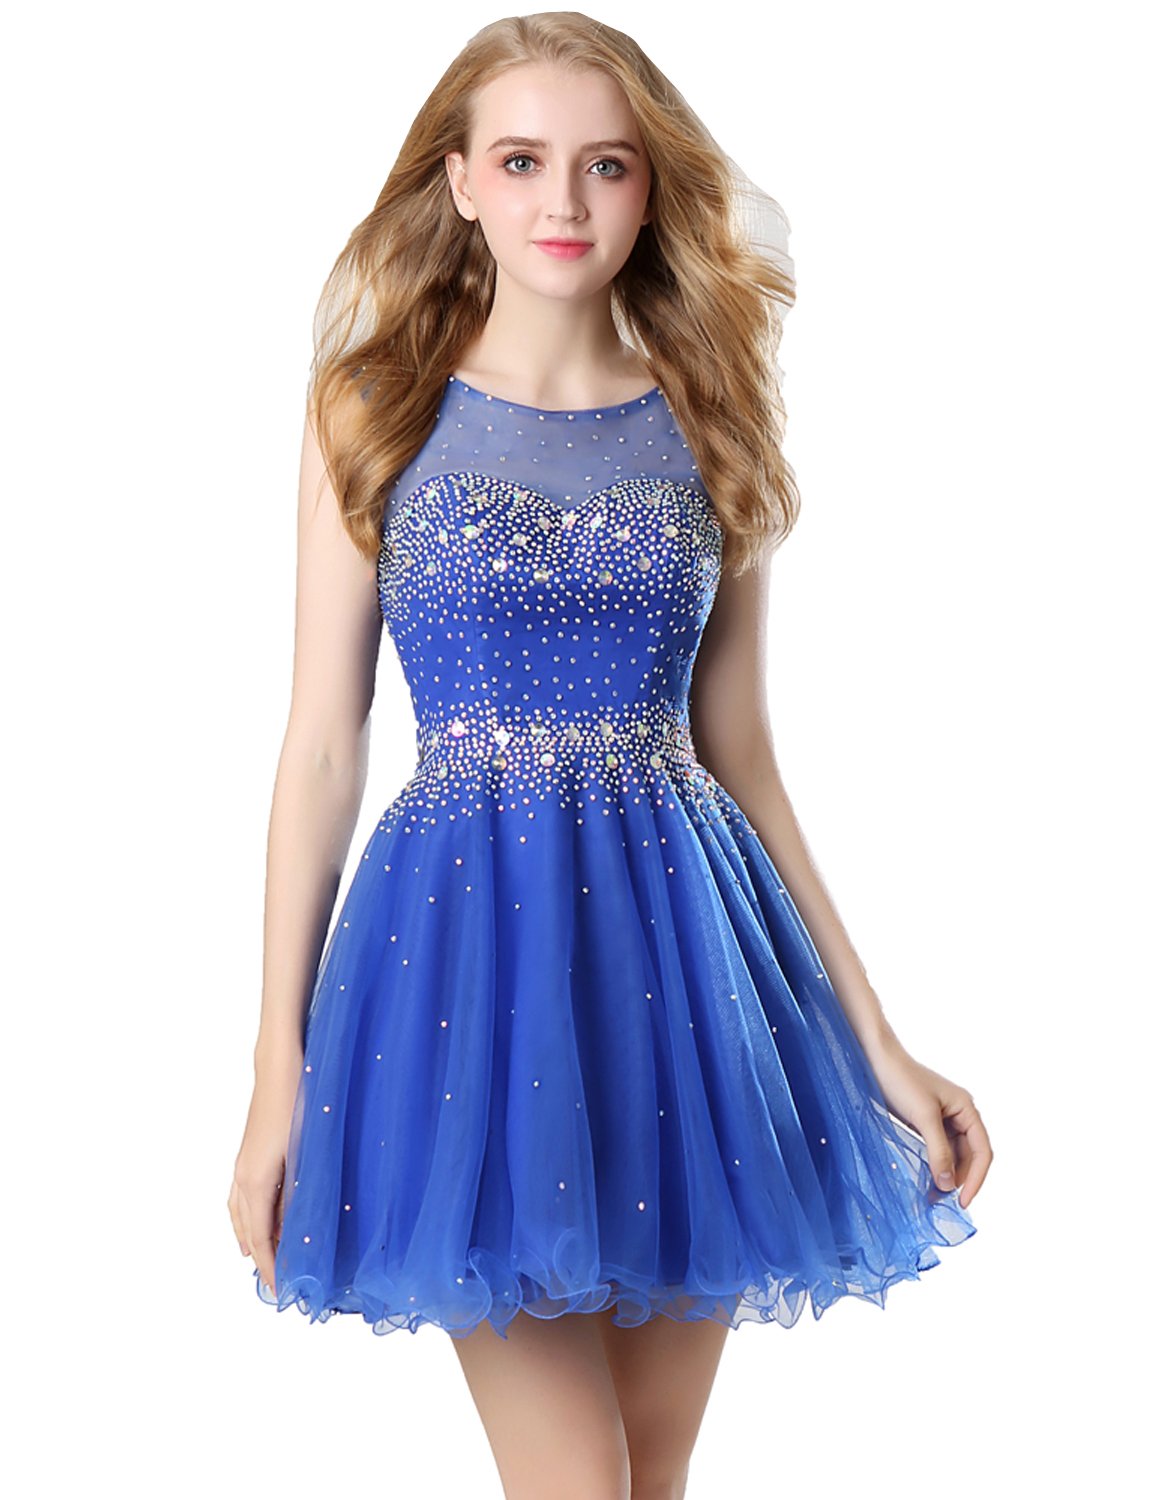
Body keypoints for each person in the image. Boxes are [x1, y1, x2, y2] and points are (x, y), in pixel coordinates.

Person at [228, 11, 993, 1497]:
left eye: (607, 165)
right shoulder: (369, 409)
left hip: (691, 978)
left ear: (652, 188)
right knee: (578, 1481)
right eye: (521, 161)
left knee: (649, 1477)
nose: (564, 202)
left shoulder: (712, 415)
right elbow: (321, 747)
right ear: (459, 182)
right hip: (462, 976)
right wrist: (276, 1068)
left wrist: (880, 1045)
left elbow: (744, 754)